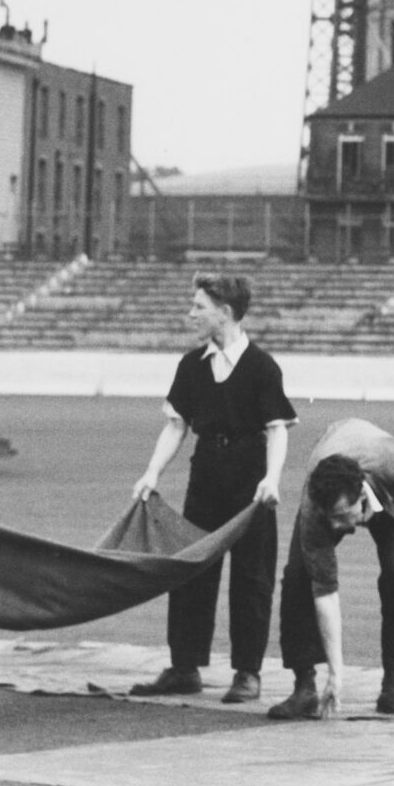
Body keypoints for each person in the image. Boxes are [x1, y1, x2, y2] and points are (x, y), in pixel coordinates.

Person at [125, 275, 295, 702]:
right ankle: (185, 667)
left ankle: (247, 673)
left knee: (251, 577)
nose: (191, 314)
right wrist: (151, 473)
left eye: (199, 307)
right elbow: (176, 426)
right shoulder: (192, 366)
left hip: (251, 481)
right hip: (205, 476)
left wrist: (271, 478)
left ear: (225, 312)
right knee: (191, 572)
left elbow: (277, 429)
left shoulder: (262, 367)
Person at [266, 418, 394, 720]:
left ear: (361, 497)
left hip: (392, 494)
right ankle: (304, 687)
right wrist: (336, 675)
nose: (336, 527)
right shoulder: (315, 508)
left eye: (343, 516)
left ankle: (393, 687)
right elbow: (326, 594)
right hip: (338, 462)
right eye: (331, 518)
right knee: (297, 576)